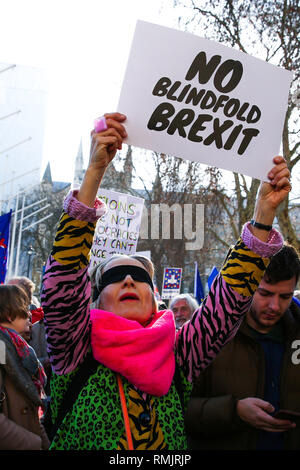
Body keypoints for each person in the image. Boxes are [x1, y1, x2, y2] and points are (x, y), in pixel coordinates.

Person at [41, 112, 291, 450]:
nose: (129, 279)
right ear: (95, 300)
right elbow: (65, 275)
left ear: (154, 295)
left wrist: (264, 216)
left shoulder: (179, 354)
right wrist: (95, 172)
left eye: (140, 277)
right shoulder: (75, 348)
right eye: (115, 277)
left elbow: (227, 305)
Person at [185, 244, 300, 450]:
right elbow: (176, 409)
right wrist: (234, 410)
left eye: (285, 296)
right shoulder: (207, 334)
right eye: (264, 293)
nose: (274, 306)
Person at [0, 284, 49, 450]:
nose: (30, 314)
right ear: (8, 314)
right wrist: (33, 443)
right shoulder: (1, 347)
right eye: (23, 308)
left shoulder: (16, 346)